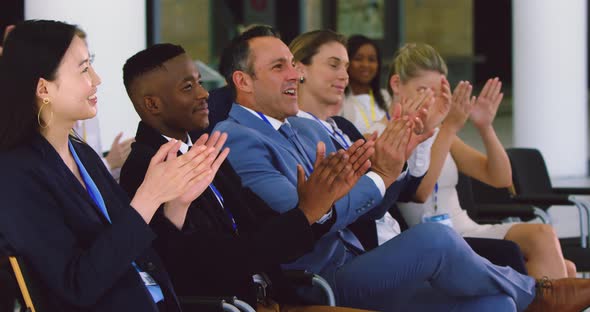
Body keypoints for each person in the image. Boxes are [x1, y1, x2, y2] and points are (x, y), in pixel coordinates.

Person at [213, 25, 590, 312]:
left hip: (363, 260)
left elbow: (352, 189)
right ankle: (540, 291)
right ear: (243, 80)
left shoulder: (304, 125)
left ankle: (531, 294)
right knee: (434, 240)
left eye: (292, 65)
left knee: (495, 304)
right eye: (280, 67)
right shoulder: (236, 135)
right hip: (315, 279)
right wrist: (380, 175)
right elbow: (305, 216)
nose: (293, 75)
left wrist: (395, 159)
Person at [119, 43, 372, 312]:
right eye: (188, 87)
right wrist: (306, 211)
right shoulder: (145, 169)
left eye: (200, 82)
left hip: (271, 299)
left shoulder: (205, 150)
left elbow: (262, 223)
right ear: (153, 104)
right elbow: (210, 260)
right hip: (230, 305)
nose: (204, 93)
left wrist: (317, 206)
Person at [0, 20, 218, 311]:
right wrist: (147, 198)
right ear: (44, 88)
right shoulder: (15, 174)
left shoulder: (81, 153)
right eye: (83, 69)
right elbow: (76, 286)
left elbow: (139, 254)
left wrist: (176, 205)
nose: (97, 79)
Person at [394, 43, 577, 279]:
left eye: (437, 93)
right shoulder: (385, 134)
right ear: (397, 85)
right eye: (422, 90)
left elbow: (500, 178)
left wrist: (485, 127)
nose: (431, 101)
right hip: (436, 240)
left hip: (466, 228)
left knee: (565, 265)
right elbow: (420, 192)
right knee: (546, 244)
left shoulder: (443, 133)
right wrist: (449, 127)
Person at [338, 34, 391, 135]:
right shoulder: (338, 98)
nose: (365, 65)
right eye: (358, 59)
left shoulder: (387, 97)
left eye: (371, 60)